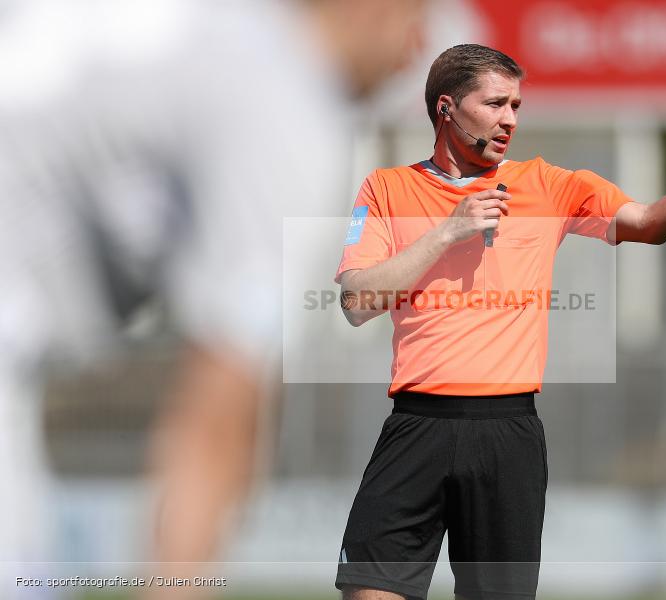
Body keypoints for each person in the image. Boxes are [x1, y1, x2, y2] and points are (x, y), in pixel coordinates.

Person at [0, 0, 424, 597]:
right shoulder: (284, 103)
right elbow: (220, 410)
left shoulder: (218, 30)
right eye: (414, 17)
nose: (417, 48)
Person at [334, 44, 666, 600]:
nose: (510, 120)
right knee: (367, 593)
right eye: (495, 104)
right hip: (415, 427)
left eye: (517, 106)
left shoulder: (548, 183)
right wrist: (447, 231)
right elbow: (356, 303)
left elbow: (645, 222)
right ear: (446, 108)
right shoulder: (385, 188)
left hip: (508, 434)